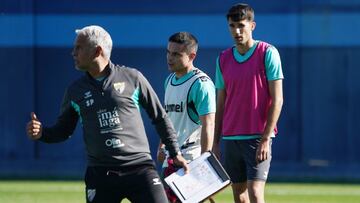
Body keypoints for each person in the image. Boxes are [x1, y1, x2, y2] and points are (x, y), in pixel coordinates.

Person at [26, 25, 189, 203]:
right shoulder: (75, 91)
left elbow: (159, 117)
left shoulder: (133, 78)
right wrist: (43, 133)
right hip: (100, 174)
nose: (73, 53)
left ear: (97, 51)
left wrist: (175, 153)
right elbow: (63, 130)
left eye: (78, 48)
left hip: (140, 170)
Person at [212, 3, 284, 203]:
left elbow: (277, 99)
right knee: (240, 197)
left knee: (255, 192)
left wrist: (266, 138)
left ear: (252, 26)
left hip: (257, 138)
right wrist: (215, 142)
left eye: (241, 25)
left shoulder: (268, 53)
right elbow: (221, 103)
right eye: (232, 26)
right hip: (231, 138)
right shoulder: (223, 59)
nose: (236, 31)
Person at [157, 32, 216, 202]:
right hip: (169, 157)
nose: (170, 57)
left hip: (190, 161)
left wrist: (205, 162)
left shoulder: (201, 84)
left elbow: (209, 124)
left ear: (192, 56)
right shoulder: (169, 80)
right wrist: (161, 144)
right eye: (168, 52)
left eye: (176, 54)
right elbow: (167, 118)